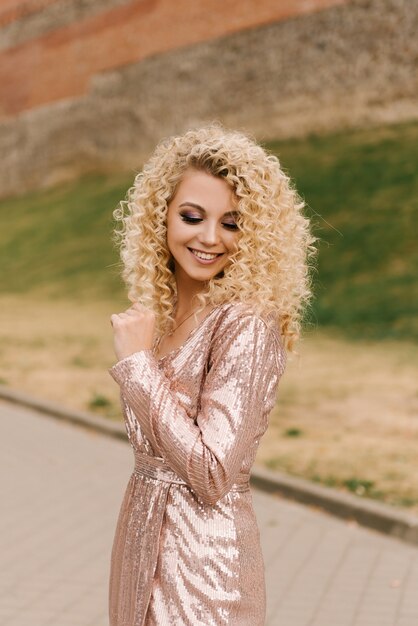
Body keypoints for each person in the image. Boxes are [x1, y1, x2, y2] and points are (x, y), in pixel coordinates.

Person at [108, 123, 315, 625]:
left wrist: (137, 369)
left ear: (255, 233)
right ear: (161, 218)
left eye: (232, 223)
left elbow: (213, 473)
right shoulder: (158, 320)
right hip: (140, 551)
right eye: (192, 216)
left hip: (206, 576)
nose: (208, 237)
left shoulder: (246, 324)